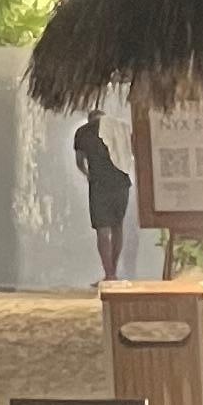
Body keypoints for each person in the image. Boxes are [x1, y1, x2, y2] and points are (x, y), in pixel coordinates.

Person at [73, 109, 134, 283]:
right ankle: (113, 271)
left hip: (99, 184)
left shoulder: (83, 132)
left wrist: (87, 174)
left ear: (90, 119)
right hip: (121, 182)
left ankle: (109, 274)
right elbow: (133, 151)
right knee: (117, 226)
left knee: (102, 229)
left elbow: (80, 161)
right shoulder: (121, 129)